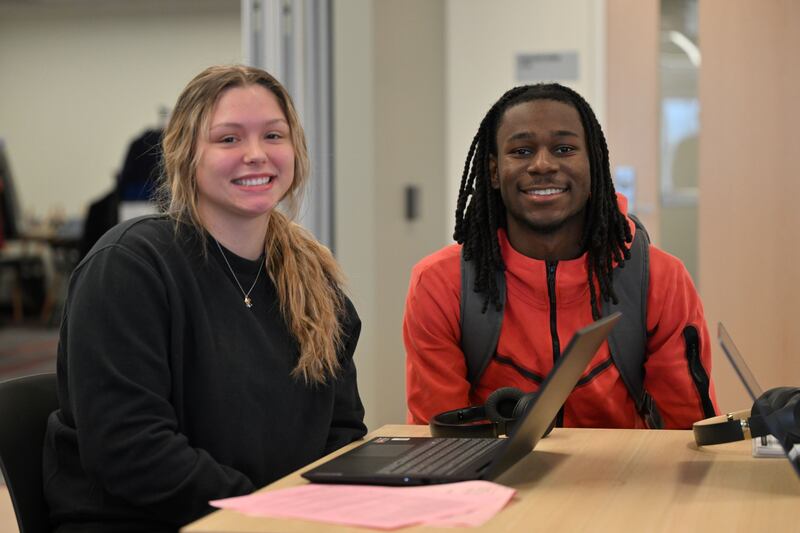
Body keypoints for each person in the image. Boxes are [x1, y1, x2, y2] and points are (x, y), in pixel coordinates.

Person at [42, 65, 367, 532]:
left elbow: (342, 432)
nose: (256, 154)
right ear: (185, 154)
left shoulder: (314, 281)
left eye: (273, 136)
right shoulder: (129, 266)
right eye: (228, 139)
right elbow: (131, 450)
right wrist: (266, 513)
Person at [404, 83, 718, 430]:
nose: (542, 165)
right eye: (521, 151)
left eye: (564, 149)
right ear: (493, 172)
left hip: (626, 465)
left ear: (593, 164)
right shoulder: (440, 284)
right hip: (489, 466)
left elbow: (686, 432)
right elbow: (440, 438)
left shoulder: (661, 278)